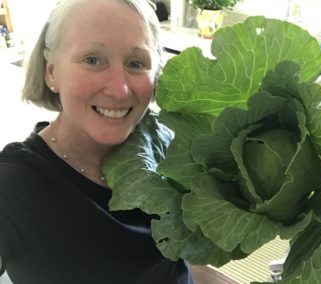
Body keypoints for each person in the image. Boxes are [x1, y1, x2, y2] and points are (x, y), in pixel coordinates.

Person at [0, 0, 193, 283]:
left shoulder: (169, 148)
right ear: (51, 72)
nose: (119, 89)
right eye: (92, 60)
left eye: (136, 63)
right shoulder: (14, 186)